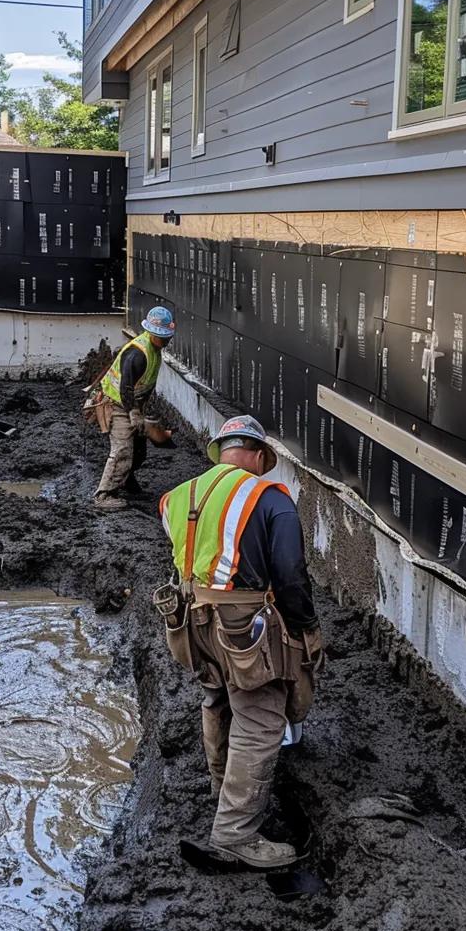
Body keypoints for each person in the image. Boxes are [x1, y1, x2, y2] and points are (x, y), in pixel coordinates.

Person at [156, 415, 324, 868]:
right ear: (257, 455)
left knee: (216, 696)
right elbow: (290, 574)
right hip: (241, 625)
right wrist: (305, 627)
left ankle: (221, 788)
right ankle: (234, 833)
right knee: (261, 717)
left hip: (190, 619)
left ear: (221, 452)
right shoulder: (269, 498)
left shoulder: (177, 497)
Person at [93, 306, 176, 511]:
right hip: (117, 403)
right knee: (122, 449)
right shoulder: (138, 354)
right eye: (162, 337)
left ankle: (127, 480)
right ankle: (104, 494)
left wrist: (143, 412)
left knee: (139, 451)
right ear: (152, 333)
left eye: (167, 337)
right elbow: (126, 386)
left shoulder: (154, 350)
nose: (166, 341)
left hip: (134, 403)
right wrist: (133, 413)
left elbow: (144, 384)